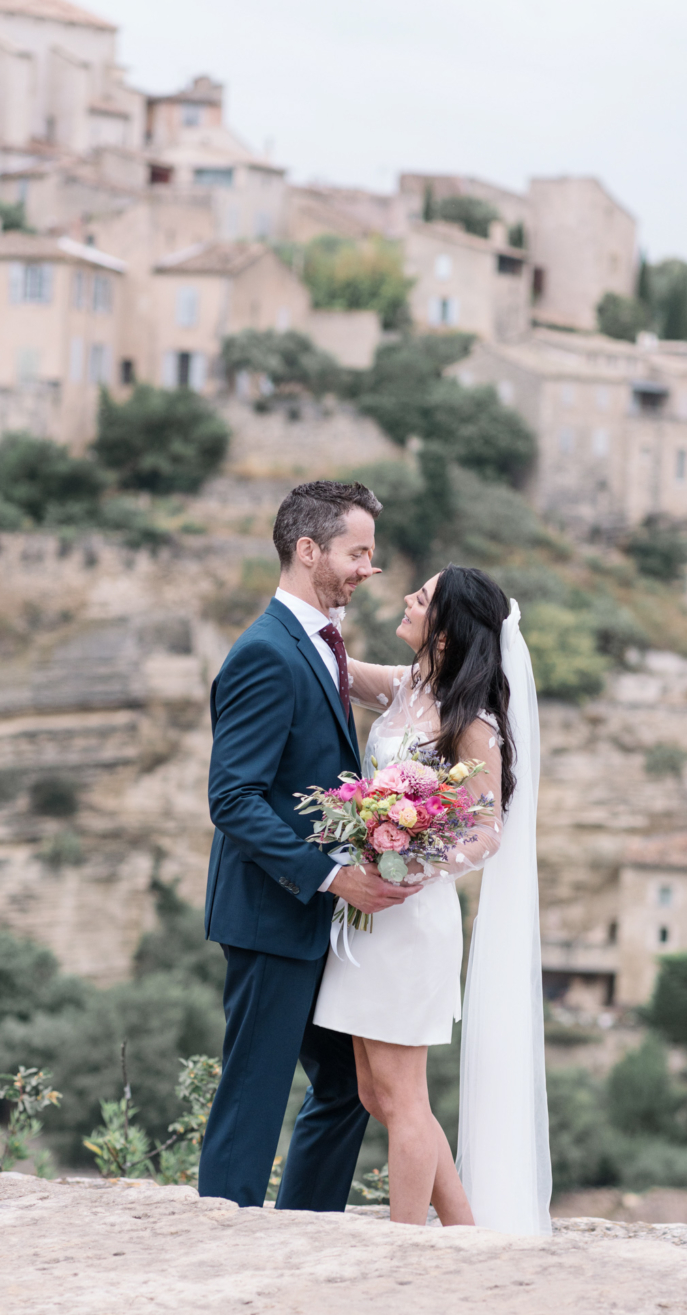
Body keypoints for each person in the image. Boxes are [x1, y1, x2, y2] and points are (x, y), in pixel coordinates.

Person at [198, 479, 423, 1210]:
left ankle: (304, 1228)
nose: (369, 568)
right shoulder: (266, 651)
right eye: (357, 552)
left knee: (348, 1085)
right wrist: (330, 876)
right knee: (255, 1088)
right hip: (273, 912)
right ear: (306, 550)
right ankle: (220, 1232)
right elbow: (231, 798)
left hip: (317, 920)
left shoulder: (322, 645)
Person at [313, 565, 551, 1232]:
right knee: (374, 1092)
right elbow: (339, 666)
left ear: (446, 632)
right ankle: (465, 1232)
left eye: (421, 599)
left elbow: (486, 832)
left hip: (411, 915)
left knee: (402, 1096)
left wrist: (414, 862)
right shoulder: (408, 685)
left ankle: (405, 1249)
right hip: (368, 913)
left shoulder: (469, 719)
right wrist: (313, 609)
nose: (407, 600)